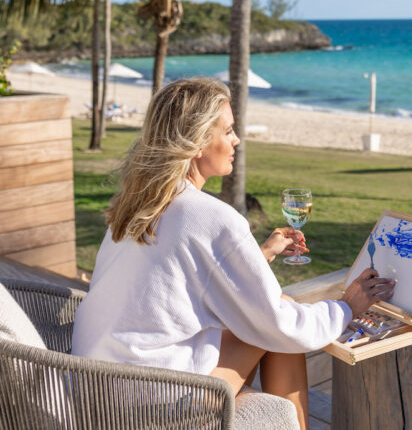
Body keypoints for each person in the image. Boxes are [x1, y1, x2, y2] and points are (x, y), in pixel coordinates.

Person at [71, 77, 395, 429]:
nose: (236, 140)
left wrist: (259, 254)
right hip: (151, 406)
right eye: (227, 131)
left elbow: (175, 277)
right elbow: (278, 326)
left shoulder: (140, 203)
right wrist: (346, 307)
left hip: (98, 386)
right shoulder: (208, 216)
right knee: (278, 323)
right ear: (196, 142)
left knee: (266, 315)